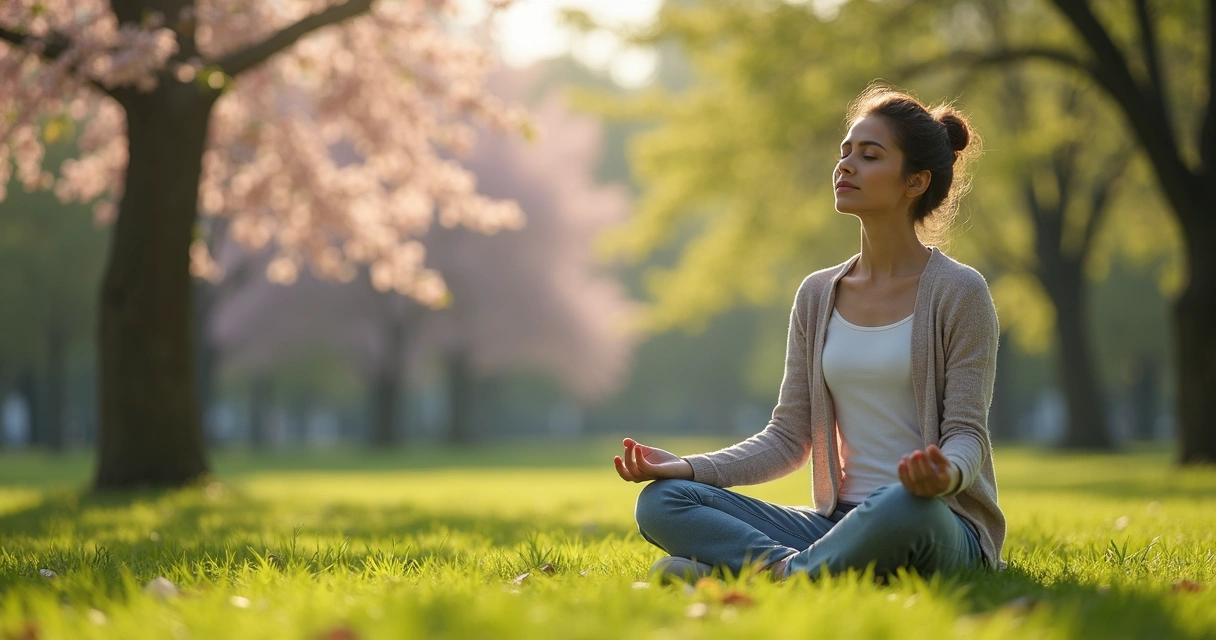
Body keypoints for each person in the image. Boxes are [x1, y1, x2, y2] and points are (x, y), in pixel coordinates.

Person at [613, 82, 1005, 583]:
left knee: (900, 504)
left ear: (914, 181)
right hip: (833, 524)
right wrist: (687, 468)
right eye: (845, 153)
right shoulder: (818, 295)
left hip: (932, 519)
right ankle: (795, 571)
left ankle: (764, 576)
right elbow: (786, 439)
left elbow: (967, 434)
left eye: (869, 155)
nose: (845, 166)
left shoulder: (960, 292)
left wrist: (944, 474)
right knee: (662, 501)